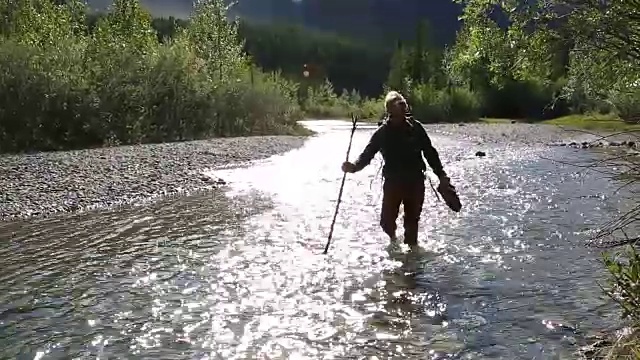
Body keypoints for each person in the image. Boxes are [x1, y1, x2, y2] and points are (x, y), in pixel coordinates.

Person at [341, 90, 453, 247]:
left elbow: (430, 153)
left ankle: (412, 264)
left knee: (411, 225)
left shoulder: (416, 128)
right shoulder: (382, 132)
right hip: (393, 183)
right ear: (389, 111)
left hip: (415, 182)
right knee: (386, 222)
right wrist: (353, 167)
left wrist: (442, 175)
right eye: (397, 108)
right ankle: (394, 242)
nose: (401, 113)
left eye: (402, 107)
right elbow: (367, 154)